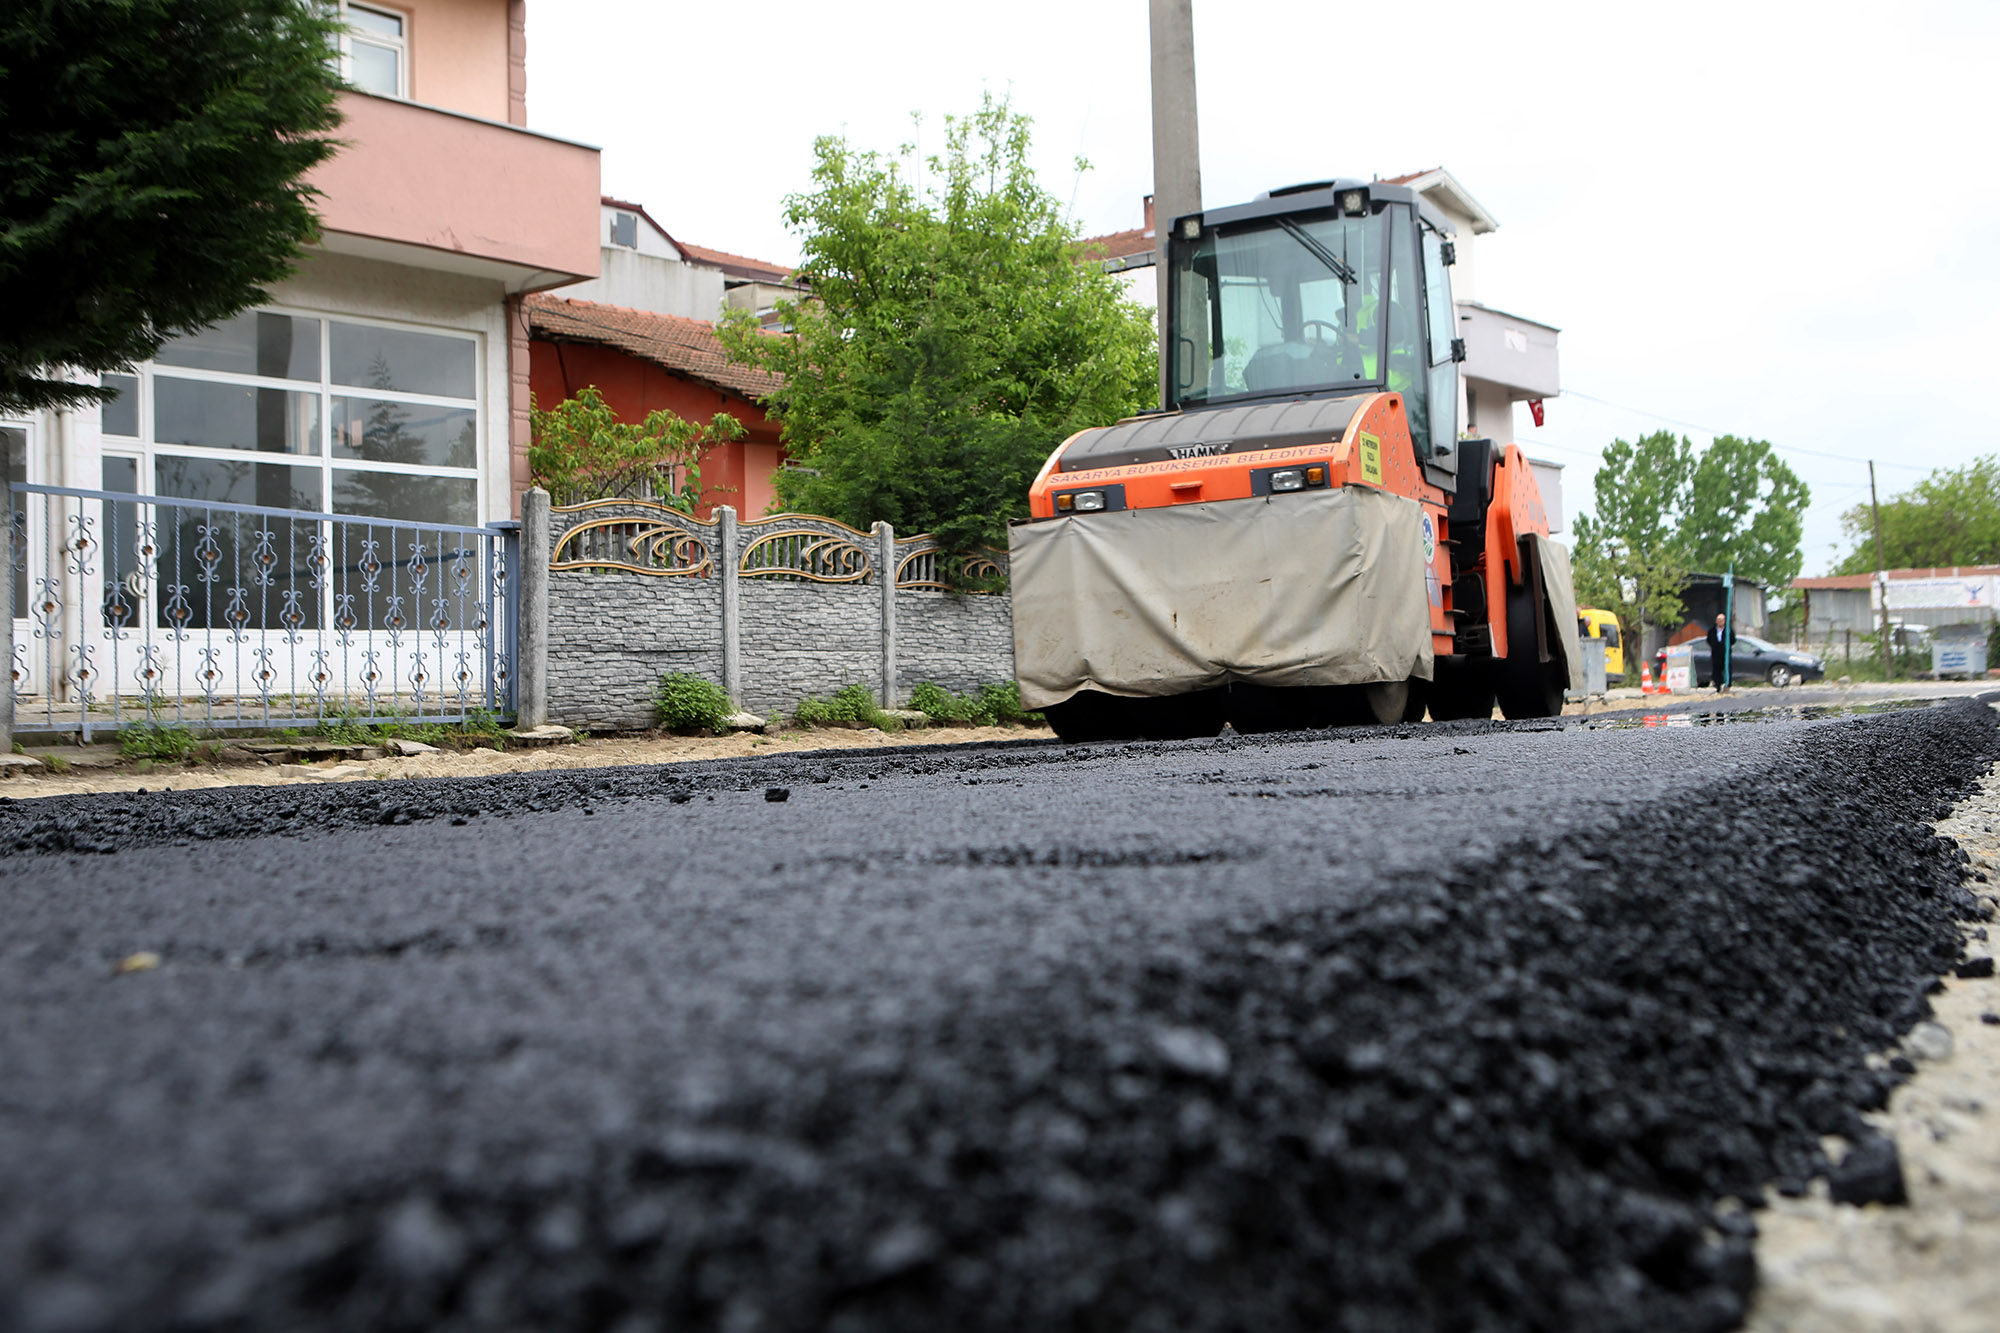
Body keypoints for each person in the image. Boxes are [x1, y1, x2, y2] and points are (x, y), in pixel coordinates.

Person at [1705, 613, 1732, 693]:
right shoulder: (1712, 630)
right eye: (1719, 620)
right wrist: (1714, 646)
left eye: (1722, 620)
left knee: (1727, 668)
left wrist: (1726, 646)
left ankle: (1727, 685)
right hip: (1716, 653)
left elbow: (1733, 640)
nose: (1720, 621)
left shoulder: (1728, 630)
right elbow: (1709, 640)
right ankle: (1718, 686)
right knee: (1716, 670)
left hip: (1725, 653)